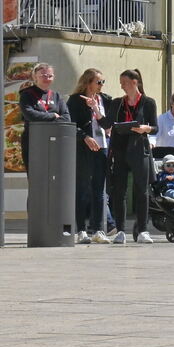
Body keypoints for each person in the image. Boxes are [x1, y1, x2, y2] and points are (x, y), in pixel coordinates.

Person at [101, 69, 158, 244]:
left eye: (124, 82)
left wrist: (145, 129)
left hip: (139, 149)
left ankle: (142, 230)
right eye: (121, 83)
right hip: (120, 149)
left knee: (142, 190)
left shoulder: (148, 102)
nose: (122, 86)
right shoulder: (117, 102)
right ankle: (120, 231)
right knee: (120, 191)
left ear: (135, 82)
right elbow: (107, 123)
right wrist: (96, 110)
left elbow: (155, 127)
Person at [66, 68, 112, 244]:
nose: (101, 85)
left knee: (99, 190)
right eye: (98, 82)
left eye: (102, 82)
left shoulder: (105, 100)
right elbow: (70, 124)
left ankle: (98, 229)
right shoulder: (75, 101)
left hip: (102, 147)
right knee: (83, 188)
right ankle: (81, 230)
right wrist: (84, 137)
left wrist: (96, 109)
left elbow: (108, 124)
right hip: (84, 147)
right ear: (87, 83)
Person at [19, 63, 70, 178]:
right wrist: (53, 116)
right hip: (33, 142)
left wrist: (46, 117)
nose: (47, 78)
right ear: (35, 77)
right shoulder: (27, 94)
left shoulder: (56, 96)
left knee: (53, 178)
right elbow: (30, 115)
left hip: (54, 142)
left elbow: (66, 118)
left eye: (50, 75)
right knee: (36, 181)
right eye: (43, 75)